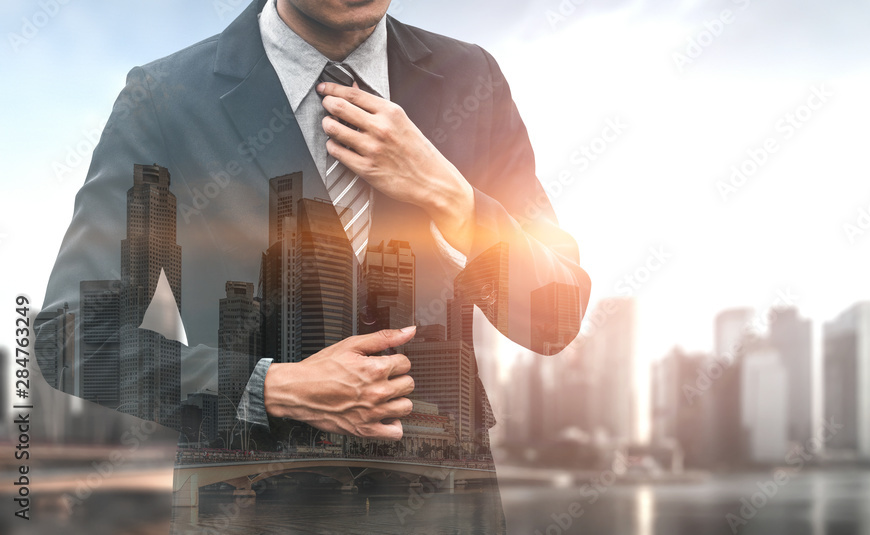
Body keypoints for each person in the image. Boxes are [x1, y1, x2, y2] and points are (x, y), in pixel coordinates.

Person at [38, 0, 590, 530]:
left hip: (444, 511)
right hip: (250, 510)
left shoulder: (473, 79)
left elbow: (556, 318)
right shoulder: (166, 98)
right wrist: (271, 387)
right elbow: (72, 336)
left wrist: (455, 200)